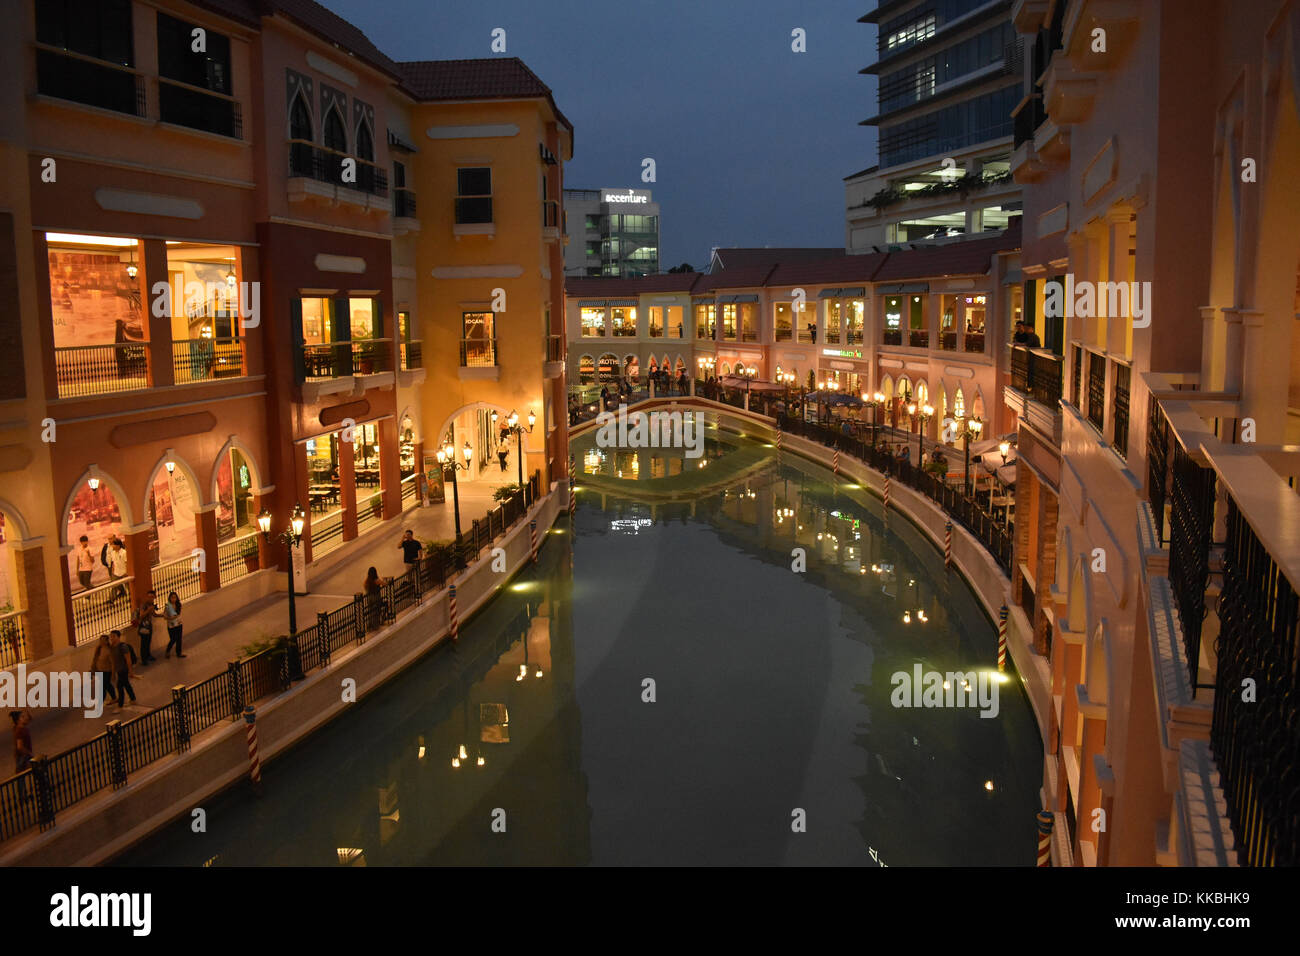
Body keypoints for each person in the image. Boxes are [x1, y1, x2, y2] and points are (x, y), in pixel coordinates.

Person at [108, 630, 137, 708]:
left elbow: (128, 660)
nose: (112, 638)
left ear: (118, 637)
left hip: (124, 669)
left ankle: (120, 705)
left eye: (114, 636)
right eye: (111, 636)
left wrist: (130, 671)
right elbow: (113, 661)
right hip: (119, 670)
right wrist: (113, 673)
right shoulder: (112, 647)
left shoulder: (123, 647)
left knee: (119, 686)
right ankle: (133, 699)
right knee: (126, 684)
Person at [133, 590, 160, 664]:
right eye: (149, 597)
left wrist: (163, 615)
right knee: (144, 643)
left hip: (149, 625)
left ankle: (148, 655)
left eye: (152, 597)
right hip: (143, 626)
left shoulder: (151, 604)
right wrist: (149, 610)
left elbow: (154, 614)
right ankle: (144, 659)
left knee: (148, 641)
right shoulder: (144, 605)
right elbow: (142, 615)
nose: (150, 598)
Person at [92, 634, 118, 706]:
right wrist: (93, 669)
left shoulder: (109, 651)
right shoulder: (99, 649)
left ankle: (100, 702)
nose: (101, 642)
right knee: (107, 685)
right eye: (101, 640)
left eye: (103, 640)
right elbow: (95, 659)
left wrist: (113, 674)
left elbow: (113, 663)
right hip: (99, 671)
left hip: (107, 671)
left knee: (102, 687)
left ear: (107, 641)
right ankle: (114, 698)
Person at [11, 710, 32, 798]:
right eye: (22, 717)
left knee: (22, 776)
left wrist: (27, 710)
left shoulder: (22, 728)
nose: (25, 718)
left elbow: (30, 718)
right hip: (22, 756)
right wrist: (29, 753)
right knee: (21, 777)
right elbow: (20, 746)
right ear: (18, 720)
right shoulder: (19, 731)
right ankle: (23, 796)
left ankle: (24, 795)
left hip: (24, 756)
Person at [162, 591, 185, 658]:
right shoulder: (167, 606)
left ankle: (179, 653)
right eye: (172, 597)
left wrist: (174, 617)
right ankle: (168, 651)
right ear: (169, 598)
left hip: (178, 624)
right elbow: (164, 616)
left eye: (175, 597)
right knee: (173, 639)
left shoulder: (178, 605)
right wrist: (170, 618)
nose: (173, 599)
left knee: (179, 639)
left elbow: (178, 614)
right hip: (171, 625)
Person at [107, 537, 129, 603]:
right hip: (116, 572)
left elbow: (127, 563)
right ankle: (111, 599)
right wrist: (113, 571)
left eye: (113, 544)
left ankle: (131, 597)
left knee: (128, 586)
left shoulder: (124, 552)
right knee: (114, 586)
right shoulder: (113, 553)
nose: (112, 546)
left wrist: (127, 572)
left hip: (124, 572)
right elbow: (113, 562)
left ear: (118, 545)